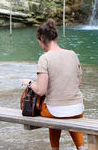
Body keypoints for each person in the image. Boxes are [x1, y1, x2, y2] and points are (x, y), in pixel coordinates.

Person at [22, 19, 85, 150]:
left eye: (39, 42)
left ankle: (55, 148)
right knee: (67, 114)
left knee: (52, 108)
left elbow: (40, 90)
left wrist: (29, 83)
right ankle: (81, 147)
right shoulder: (72, 54)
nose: (40, 45)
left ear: (42, 39)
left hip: (55, 111)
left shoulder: (45, 58)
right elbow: (78, 83)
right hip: (78, 108)